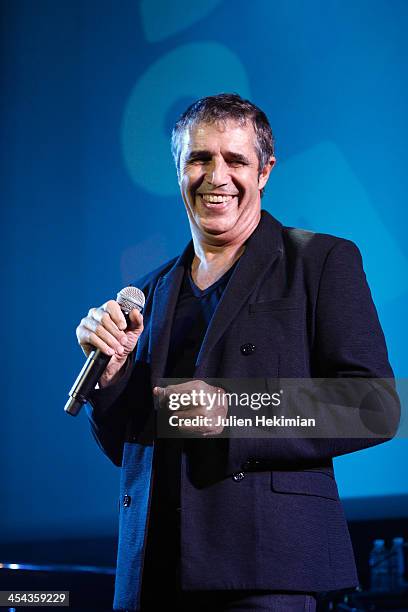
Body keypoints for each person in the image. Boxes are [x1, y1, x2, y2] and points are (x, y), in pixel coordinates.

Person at [76, 93, 399, 611]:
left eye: (235, 160)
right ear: (178, 169)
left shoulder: (320, 262)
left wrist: (233, 410)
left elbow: (374, 406)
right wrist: (111, 382)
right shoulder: (148, 291)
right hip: (152, 571)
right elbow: (128, 450)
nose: (216, 176)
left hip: (263, 569)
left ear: (265, 170)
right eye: (199, 158)